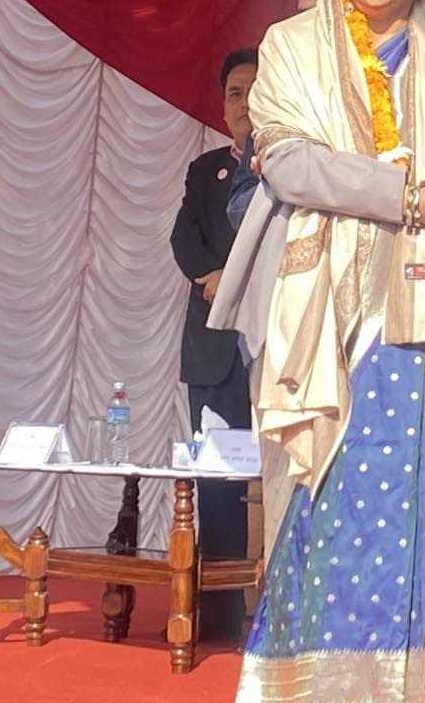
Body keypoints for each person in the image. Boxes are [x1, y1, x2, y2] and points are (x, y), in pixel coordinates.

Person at [233, 0, 425, 703]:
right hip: (315, 307)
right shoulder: (290, 46)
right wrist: (408, 197)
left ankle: (398, 686)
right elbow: (288, 161)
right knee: (314, 494)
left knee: (406, 499)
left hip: (419, 304)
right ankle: (303, 685)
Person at [168, 48, 260, 641]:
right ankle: (222, 617)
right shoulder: (206, 171)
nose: (244, 103)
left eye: (254, 90)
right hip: (216, 352)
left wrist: (242, 278)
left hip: (279, 345)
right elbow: (185, 236)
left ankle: (288, 611)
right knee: (219, 482)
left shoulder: (294, 168)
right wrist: (214, 277)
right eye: (234, 93)